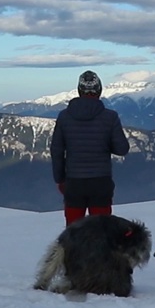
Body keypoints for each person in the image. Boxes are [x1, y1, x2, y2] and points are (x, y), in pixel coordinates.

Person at [50, 70, 130, 225]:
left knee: (74, 234)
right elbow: (122, 149)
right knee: (102, 232)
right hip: (101, 182)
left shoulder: (64, 116)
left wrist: (60, 179)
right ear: (99, 90)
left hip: (73, 183)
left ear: (79, 90)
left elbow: (57, 151)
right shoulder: (110, 117)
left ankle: (75, 250)